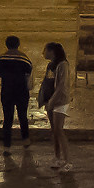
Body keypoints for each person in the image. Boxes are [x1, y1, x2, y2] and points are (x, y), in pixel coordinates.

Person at [39, 42, 74, 174]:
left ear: (52, 51)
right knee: (54, 130)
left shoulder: (63, 65)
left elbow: (61, 86)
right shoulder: (51, 65)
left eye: (45, 50)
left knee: (59, 130)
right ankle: (57, 157)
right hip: (50, 101)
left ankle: (68, 161)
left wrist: (52, 101)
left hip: (59, 101)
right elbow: (47, 82)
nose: (43, 53)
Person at [0, 35, 34, 150]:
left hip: (7, 90)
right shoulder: (24, 58)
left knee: (7, 118)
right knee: (23, 116)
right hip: (21, 90)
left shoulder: (2, 58)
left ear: (6, 45)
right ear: (18, 44)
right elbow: (29, 73)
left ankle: (6, 145)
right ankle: (26, 140)